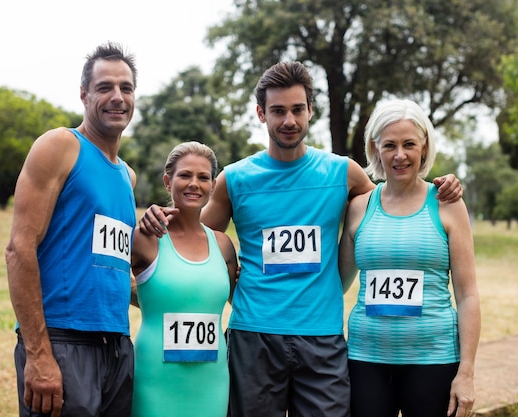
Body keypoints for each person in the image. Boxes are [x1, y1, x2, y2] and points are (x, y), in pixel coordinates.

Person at [140, 61, 463, 416]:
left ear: (311, 111)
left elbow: (393, 207)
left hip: (322, 336)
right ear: (261, 113)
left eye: (297, 109)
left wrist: (440, 187)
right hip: (254, 335)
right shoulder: (234, 179)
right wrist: (160, 216)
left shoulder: (344, 173)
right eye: (278, 110)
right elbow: (192, 234)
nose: (289, 120)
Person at [5, 42, 138, 417]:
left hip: (117, 346)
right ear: (84, 94)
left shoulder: (127, 176)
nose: (117, 97)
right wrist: (39, 355)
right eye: (104, 87)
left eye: (126, 88)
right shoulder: (61, 145)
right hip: (63, 342)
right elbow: (19, 249)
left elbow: (111, 268)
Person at [338, 98, 481, 417]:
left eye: (409, 144)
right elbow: (335, 283)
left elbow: (468, 295)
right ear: (375, 149)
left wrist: (466, 373)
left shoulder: (447, 204)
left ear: (424, 146)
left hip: (434, 360)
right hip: (365, 360)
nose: (399, 155)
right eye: (389, 145)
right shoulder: (359, 207)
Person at [130, 141, 238, 417]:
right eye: (185, 175)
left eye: (203, 177)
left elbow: (239, 299)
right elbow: (109, 281)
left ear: (213, 185)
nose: (194, 184)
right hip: (154, 378)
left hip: (211, 381)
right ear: (168, 182)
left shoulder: (224, 246)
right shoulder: (145, 238)